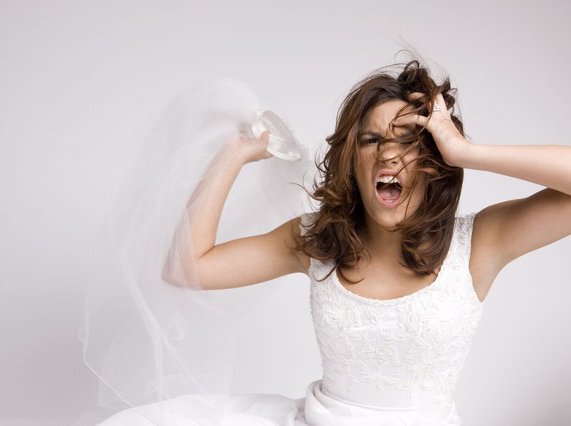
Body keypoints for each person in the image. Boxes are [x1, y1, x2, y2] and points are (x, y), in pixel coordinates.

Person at [88, 59, 571, 425]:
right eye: (371, 140)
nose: (389, 153)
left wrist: (468, 152)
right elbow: (187, 267)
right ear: (353, 162)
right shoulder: (316, 240)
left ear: (433, 162)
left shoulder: (481, 242)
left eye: (409, 139)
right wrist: (234, 155)